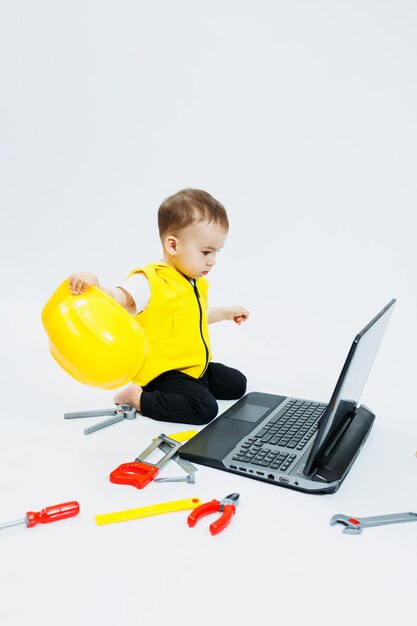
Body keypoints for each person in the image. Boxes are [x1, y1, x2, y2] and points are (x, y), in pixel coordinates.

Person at [69, 188, 249, 425]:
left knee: (238, 384)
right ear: (173, 245)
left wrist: (226, 313)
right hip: (163, 373)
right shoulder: (149, 281)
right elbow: (116, 298)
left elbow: (196, 317)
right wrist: (94, 285)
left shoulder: (196, 281)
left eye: (216, 252)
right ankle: (138, 397)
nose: (212, 261)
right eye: (206, 252)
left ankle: (191, 388)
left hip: (193, 367)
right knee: (205, 409)